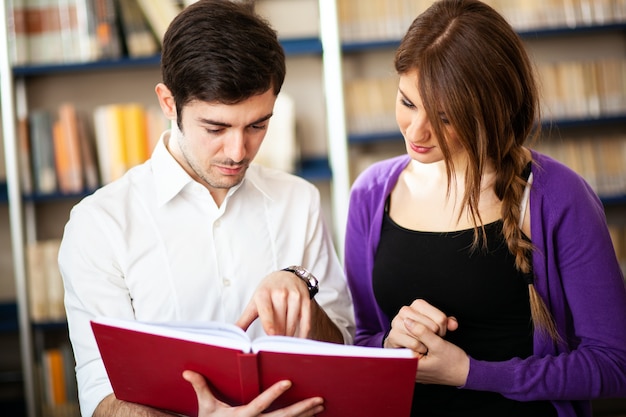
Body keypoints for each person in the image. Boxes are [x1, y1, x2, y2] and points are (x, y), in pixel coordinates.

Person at [59, 1, 354, 416]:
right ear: (168, 103)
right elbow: (102, 398)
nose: (238, 151)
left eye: (257, 125)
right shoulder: (99, 225)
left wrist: (303, 294)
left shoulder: (298, 200)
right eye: (216, 128)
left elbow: (344, 351)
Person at [344, 1, 626, 416]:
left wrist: (470, 372)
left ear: (489, 111)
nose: (416, 131)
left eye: (444, 116)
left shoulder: (559, 196)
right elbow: (365, 338)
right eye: (407, 103)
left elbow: (614, 363)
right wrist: (391, 344)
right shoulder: (372, 193)